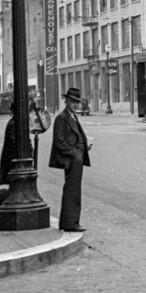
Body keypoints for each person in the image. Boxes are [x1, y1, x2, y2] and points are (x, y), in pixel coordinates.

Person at [49, 87, 92, 232]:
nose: (75, 104)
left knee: (74, 190)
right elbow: (59, 142)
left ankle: (72, 221)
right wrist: (74, 153)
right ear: (66, 101)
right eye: (72, 101)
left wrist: (85, 146)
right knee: (72, 191)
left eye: (77, 102)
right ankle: (70, 223)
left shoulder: (72, 116)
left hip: (76, 159)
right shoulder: (61, 118)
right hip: (71, 160)